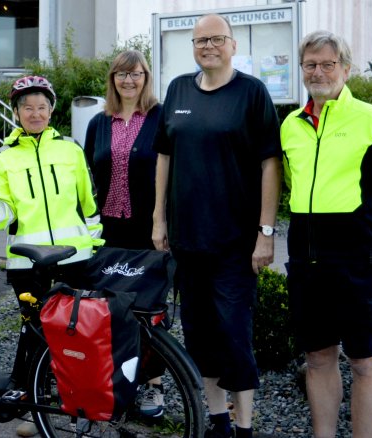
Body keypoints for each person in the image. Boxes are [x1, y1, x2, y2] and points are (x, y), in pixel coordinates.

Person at [151, 14, 282, 438]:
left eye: (216, 39)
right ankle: (218, 420)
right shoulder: (178, 90)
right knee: (200, 335)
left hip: (235, 243)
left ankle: (244, 426)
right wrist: (159, 218)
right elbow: (164, 158)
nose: (208, 46)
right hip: (188, 242)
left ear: (232, 44)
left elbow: (270, 163)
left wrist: (266, 232)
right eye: (200, 40)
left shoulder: (252, 93)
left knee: (234, 335)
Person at [280, 30, 372, 438]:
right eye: (310, 65)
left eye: (327, 64)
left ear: (346, 69)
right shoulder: (290, 125)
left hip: (360, 259)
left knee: (364, 359)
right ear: (302, 70)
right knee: (318, 357)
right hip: (307, 259)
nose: (318, 72)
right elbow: (293, 184)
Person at [0, 76, 102, 437]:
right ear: (16, 112)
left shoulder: (70, 150)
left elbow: (89, 206)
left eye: (41, 107)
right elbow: (4, 215)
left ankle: (81, 409)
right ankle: (33, 409)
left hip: (75, 259)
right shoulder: (6, 157)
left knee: (77, 338)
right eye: (27, 107)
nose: (35, 113)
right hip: (27, 264)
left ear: (51, 110)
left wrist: (95, 248)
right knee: (36, 335)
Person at [84, 49, 166, 418]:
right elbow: (88, 176)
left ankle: (154, 386)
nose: (129, 80)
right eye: (121, 74)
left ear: (146, 78)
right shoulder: (99, 123)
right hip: (109, 231)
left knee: (150, 311)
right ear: (112, 79)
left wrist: (164, 224)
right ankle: (117, 384)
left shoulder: (160, 117)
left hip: (148, 230)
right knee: (112, 311)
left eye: (136, 74)